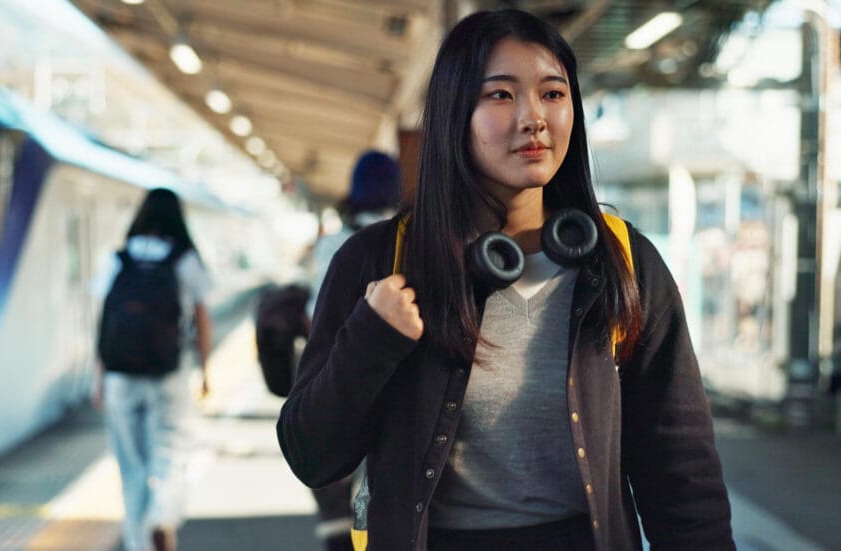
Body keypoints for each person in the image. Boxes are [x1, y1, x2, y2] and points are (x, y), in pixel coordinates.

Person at [277, 9, 733, 551]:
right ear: (455, 115)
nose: (533, 118)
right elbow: (312, 455)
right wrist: (371, 339)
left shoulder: (622, 260)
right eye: (501, 95)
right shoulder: (380, 260)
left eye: (553, 94)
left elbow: (681, 467)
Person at [91, 188, 213, 551]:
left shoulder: (119, 258)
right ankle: (162, 516)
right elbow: (202, 320)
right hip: (168, 374)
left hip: (119, 377)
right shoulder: (183, 259)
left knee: (130, 468)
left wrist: (99, 377)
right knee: (172, 452)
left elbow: (103, 321)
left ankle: (137, 544)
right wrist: (205, 371)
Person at [304, 150, 402, 551]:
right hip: (398, 383)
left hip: (341, 380)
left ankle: (339, 535)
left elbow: (315, 316)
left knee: (336, 485)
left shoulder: (335, 245)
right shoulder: (408, 239)